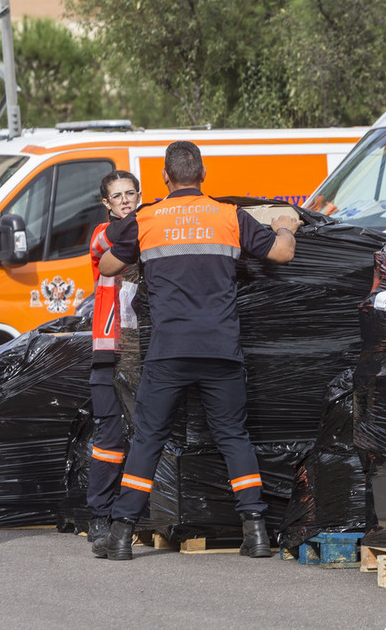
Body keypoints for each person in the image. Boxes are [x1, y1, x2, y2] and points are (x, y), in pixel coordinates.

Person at [92, 140, 302, 560]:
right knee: (233, 437)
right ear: (203, 174)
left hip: (169, 351)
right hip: (221, 348)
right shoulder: (228, 215)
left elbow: (108, 266)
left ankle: (119, 536)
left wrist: (134, 254)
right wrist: (286, 224)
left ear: (165, 178)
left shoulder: (147, 217)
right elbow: (282, 253)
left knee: (149, 437)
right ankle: (256, 532)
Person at [85, 170, 142, 543]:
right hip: (109, 349)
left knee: (143, 432)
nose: (124, 200)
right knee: (109, 434)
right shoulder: (106, 234)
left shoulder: (145, 229)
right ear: (106, 204)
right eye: (117, 196)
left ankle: (134, 513)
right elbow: (116, 238)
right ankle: (99, 515)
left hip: (141, 348)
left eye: (130, 193)